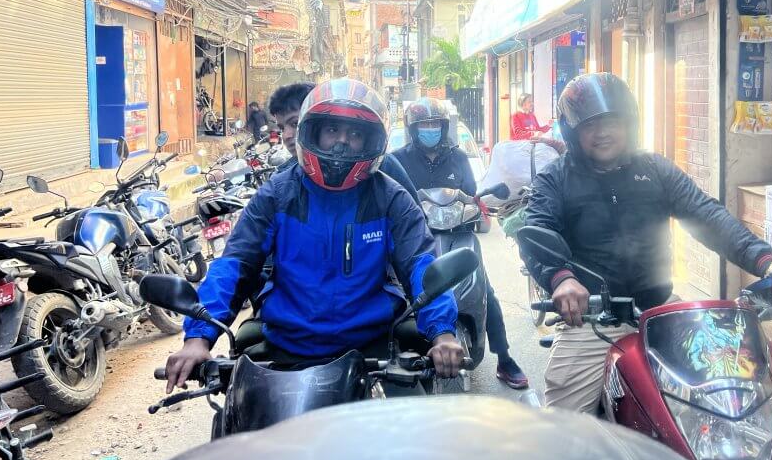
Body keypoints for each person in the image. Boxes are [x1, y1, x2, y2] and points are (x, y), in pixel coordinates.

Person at [523, 72, 772, 413]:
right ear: (573, 132)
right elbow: (536, 230)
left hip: (659, 311)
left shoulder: (655, 170)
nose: (602, 132)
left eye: (612, 121)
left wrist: (768, 266)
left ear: (629, 123)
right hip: (590, 322)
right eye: (590, 125)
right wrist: (561, 278)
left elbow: (708, 216)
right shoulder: (555, 179)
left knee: (718, 401)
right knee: (564, 427)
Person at [164, 79, 465, 392]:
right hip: (285, 351)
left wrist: (442, 333)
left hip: (372, 350)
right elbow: (235, 264)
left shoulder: (390, 198)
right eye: (332, 130)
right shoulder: (277, 194)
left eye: (355, 134)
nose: (341, 143)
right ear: (314, 132)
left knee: (419, 421)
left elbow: (421, 264)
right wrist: (198, 338)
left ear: (370, 141)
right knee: (237, 419)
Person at [394, 98, 529, 390]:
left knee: (486, 291)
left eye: (435, 124)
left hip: (459, 233)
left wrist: (475, 204)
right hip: (415, 239)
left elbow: (471, 194)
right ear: (413, 129)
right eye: (424, 125)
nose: (430, 129)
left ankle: (504, 358)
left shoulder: (458, 157)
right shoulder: (398, 160)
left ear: (444, 127)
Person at [268, 82, 417, 200]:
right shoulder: (279, 184)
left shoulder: (382, 164)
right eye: (281, 128)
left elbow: (411, 218)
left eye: (295, 123)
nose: (287, 135)